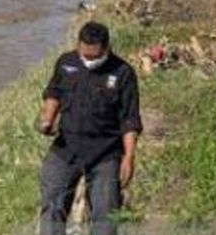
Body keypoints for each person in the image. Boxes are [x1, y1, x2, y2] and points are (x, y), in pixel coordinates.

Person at [37, 22, 142, 235]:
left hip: (105, 153)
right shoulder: (66, 62)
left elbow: (129, 119)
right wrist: (48, 118)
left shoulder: (123, 73)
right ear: (78, 45)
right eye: (84, 55)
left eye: (94, 57)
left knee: (105, 217)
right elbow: (53, 93)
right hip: (66, 149)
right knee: (52, 207)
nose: (88, 61)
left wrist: (129, 157)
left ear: (106, 48)